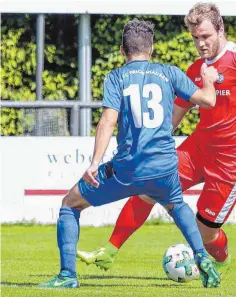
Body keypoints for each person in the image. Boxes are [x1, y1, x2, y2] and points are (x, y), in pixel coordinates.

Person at [77, 3, 236, 279]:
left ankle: (222, 259)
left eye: (206, 36)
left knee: (206, 231)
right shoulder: (196, 69)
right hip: (198, 149)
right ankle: (109, 250)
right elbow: (174, 116)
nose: (201, 44)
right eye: (195, 38)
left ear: (220, 29)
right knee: (148, 188)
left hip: (233, 160)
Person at [38, 18, 222, 289]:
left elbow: (108, 121)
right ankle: (202, 258)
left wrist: (95, 162)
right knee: (177, 205)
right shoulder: (170, 73)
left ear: (122, 50)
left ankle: (67, 276)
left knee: (70, 204)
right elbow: (208, 100)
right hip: (164, 168)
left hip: (128, 169)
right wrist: (209, 80)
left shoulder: (116, 77)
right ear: (152, 48)